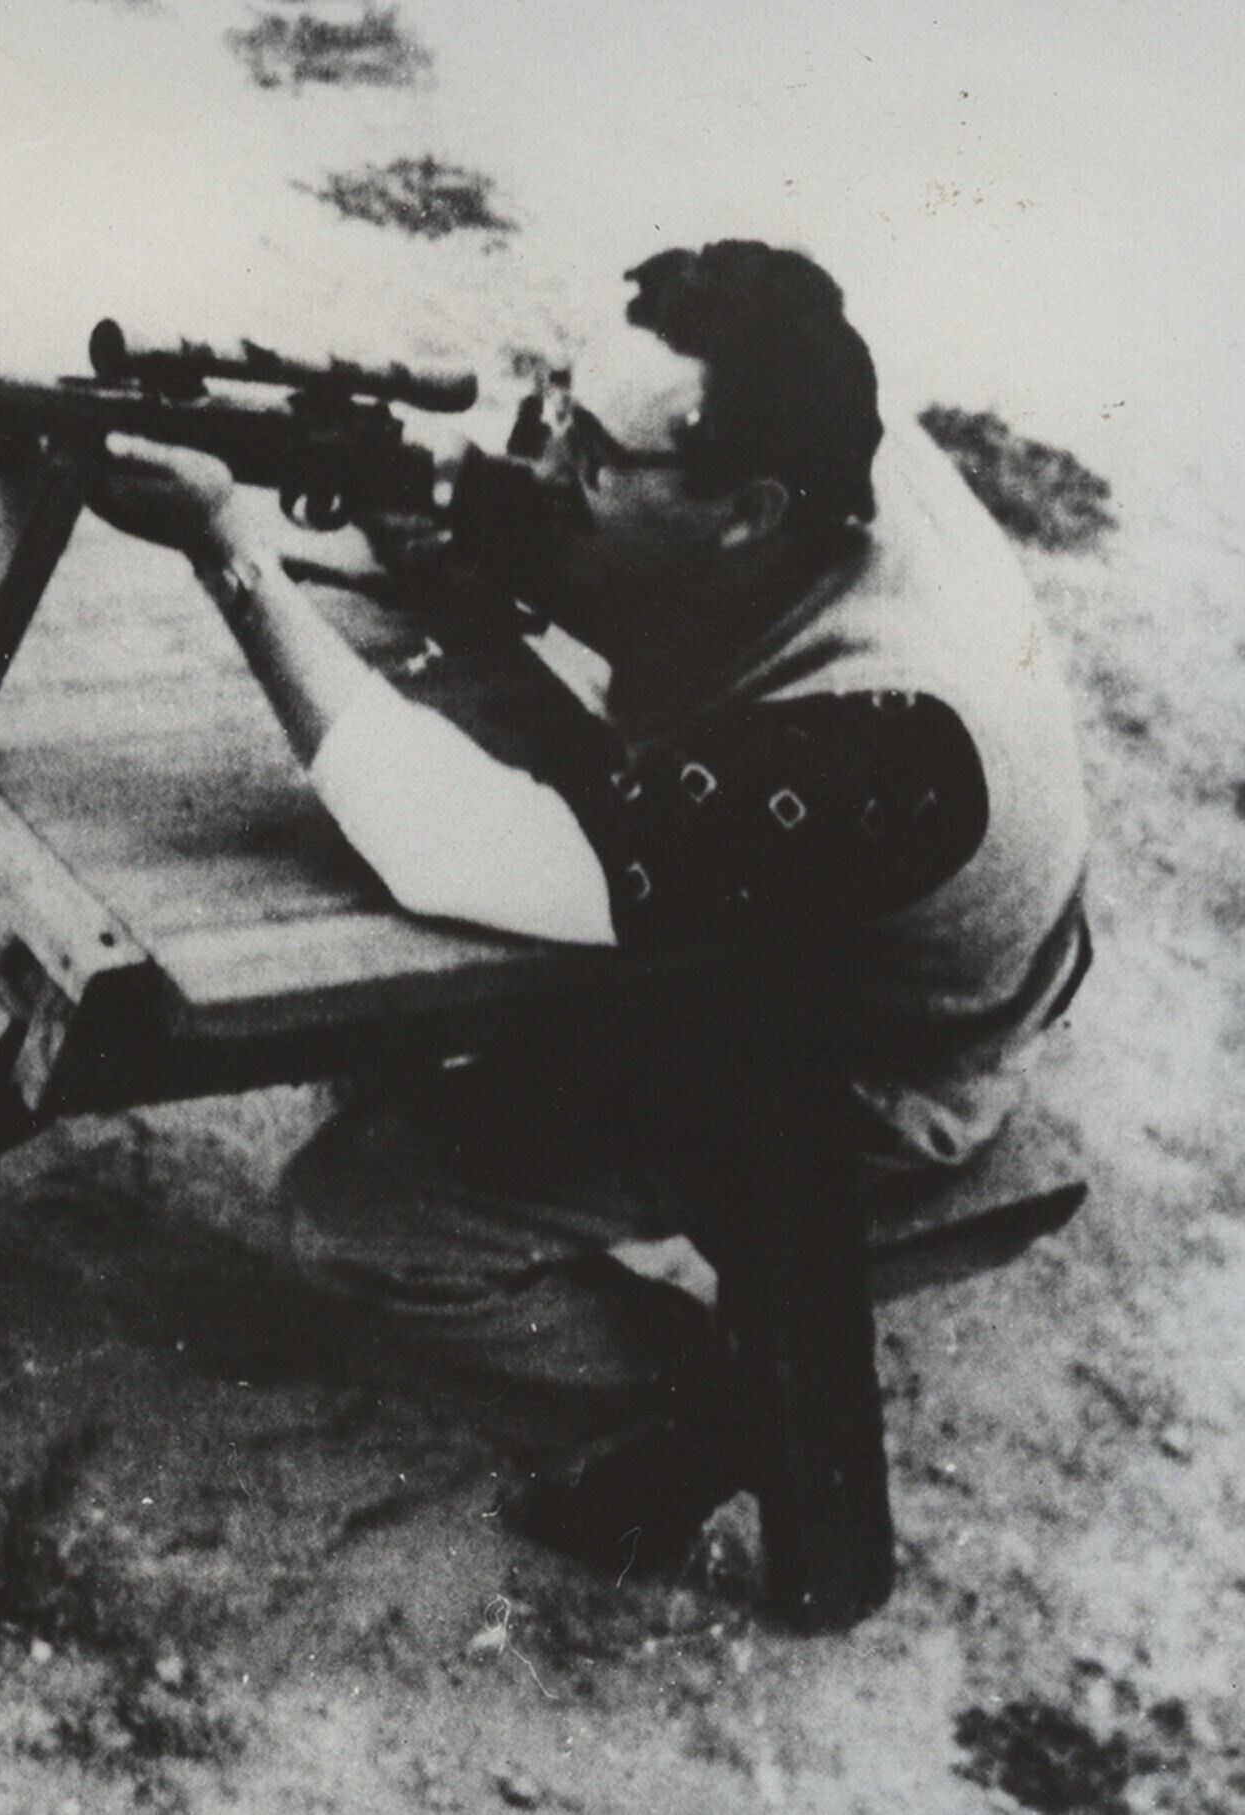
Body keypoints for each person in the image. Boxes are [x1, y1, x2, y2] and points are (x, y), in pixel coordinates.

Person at [88, 240, 1091, 1565]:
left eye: (595, 455)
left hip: (865, 1058)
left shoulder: (884, 742)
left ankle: (703, 1399)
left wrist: (233, 552)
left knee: (362, 1217)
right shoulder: (799, 426)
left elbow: (460, 849)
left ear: (747, 511)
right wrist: (453, 505)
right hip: (832, 919)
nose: (551, 453)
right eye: (563, 402)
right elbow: (569, 518)